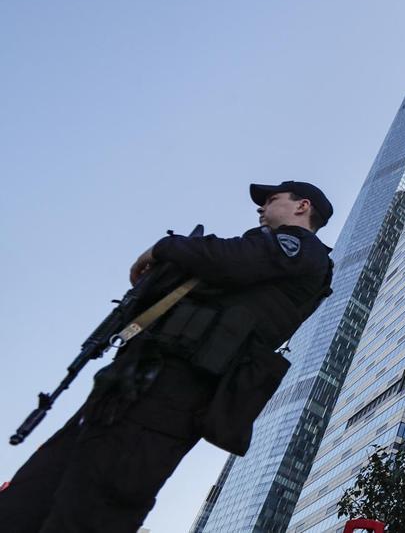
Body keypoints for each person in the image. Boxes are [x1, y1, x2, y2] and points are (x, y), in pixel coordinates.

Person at [0, 181, 335, 532]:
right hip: (130, 384)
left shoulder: (302, 249)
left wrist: (162, 249)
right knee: (27, 500)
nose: (261, 208)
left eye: (272, 199)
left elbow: (229, 261)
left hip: (172, 395)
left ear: (302, 206)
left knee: (94, 509)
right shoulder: (265, 252)